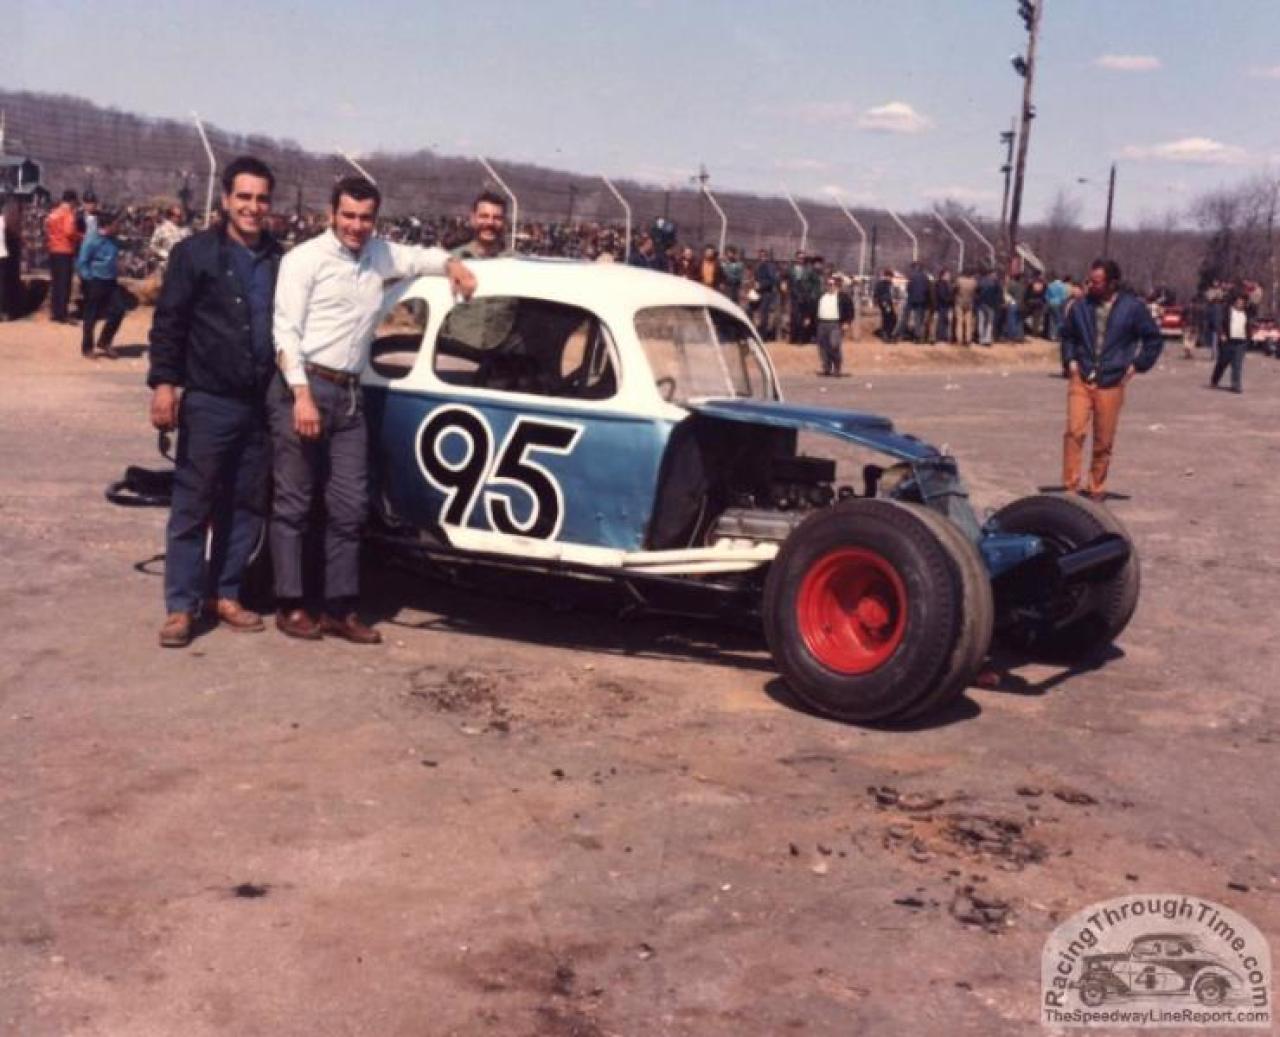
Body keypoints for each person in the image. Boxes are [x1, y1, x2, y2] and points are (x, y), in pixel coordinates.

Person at [270, 176, 476, 643]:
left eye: (365, 218)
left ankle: (339, 608)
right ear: (331, 214)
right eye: (348, 216)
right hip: (303, 388)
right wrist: (301, 395)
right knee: (295, 503)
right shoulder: (303, 260)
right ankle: (290, 603)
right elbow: (285, 333)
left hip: (350, 395)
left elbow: (419, 257)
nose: (356, 226)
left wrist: (453, 265)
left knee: (349, 507)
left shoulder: (379, 254)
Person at [148, 156, 283, 648]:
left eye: (261, 198)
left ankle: (224, 594)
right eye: (243, 196)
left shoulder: (280, 260)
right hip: (209, 401)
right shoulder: (194, 255)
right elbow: (169, 323)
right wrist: (165, 384)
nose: (252, 207)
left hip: (260, 404)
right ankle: (181, 606)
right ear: (226, 199)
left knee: (245, 504)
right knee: (193, 503)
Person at [1059, 258, 1163, 501]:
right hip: (1082, 376)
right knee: (1074, 431)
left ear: (1112, 283)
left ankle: (1096, 486)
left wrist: (1137, 365)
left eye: (1097, 282)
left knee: (1103, 439)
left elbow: (1153, 339)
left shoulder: (1133, 308)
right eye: (1090, 280)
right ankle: (1070, 487)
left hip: (1112, 380)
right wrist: (1070, 360)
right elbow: (1068, 336)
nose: (1091, 285)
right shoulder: (1080, 306)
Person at [76, 209, 126, 358]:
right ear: (107, 226)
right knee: (91, 315)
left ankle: (105, 341)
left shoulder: (114, 240)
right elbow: (82, 262)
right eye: (116, 225)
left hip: (111, 281)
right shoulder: (92, 240)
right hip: (96, 280)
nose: (118, 227)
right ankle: (87, 347)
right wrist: (88, 279)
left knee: (119, 310)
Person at [45, 190, 83, 323]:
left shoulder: (53, 213)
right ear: (72, 201)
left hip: (53, 249)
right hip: (65, 250)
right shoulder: (68, 213)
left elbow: (47, 227)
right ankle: (62, 314)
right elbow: (69, 232)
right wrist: (80, 236)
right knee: (64, 283)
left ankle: (55, 312)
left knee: (56, 283)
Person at [452, 190, 508, 259]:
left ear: (504, 221)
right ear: (472, 218)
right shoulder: (455, 259)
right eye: (484, 216)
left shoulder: (516, 262)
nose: (490, 222)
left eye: (497, 218)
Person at [815, 275, 853, 376]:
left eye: (832, 285)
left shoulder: (843, 297)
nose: (830, 287)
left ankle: (837, 368)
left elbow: (850, 311)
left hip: (835, 324)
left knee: (834, 345)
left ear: (837, 285)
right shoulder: (822, 296)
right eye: (828, 285)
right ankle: (826, 368)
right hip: (822, 323)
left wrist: (847, 322)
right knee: (823, 347)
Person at [1210, 294, 1249, 394]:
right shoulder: (1227, 311)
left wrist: (1249, 336)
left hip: (1240, 342)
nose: (1240, 303)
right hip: (1228, 341)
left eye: (1242, 302)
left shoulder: (1246, 313)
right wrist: (1221, 334)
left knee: (1237, 364)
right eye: (1238, 301)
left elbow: (1248, 326)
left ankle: (1236, 385)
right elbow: (1219, 323)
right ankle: (1215, 379)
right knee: (1222, 362)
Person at [149, 204, 191, 273]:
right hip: (166, 265)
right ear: (171, 216)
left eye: (181, 215)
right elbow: (153, 246)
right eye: (178, 216)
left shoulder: (186, 230)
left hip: (183, 265)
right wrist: (164, 254)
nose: (180, 218)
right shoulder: (162, 229)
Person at [753, 249, 780, 340]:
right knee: (758, 313)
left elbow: (772, 280)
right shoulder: (758, 266)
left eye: (764, 256)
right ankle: (758, 332)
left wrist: (761, 285)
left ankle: (763, 335)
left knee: (764, 314)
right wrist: (755, 284)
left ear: (767, 257)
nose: (762, 258)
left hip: (767, 293)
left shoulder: (769, 267)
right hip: (759, 292)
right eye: (761, 256)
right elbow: (756, 278)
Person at [903, 262, 930, 343]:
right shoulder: (925, 277)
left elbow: (908, 288)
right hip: (922, 300)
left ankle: (899, 334)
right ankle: (918, 336)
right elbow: (927, 289)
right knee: (918, 318)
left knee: (905, 317)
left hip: (911, 300)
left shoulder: (912, 277)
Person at [954, 268, 977, 345]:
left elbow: (955, 289)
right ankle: (968, 339)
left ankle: (959, 339)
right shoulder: (973, 281)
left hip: (960, 302)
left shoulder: (959, 280)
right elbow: (975, 291)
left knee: (959, 322)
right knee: (968, 322)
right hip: (969, 303)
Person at [873, 268, 896, 342]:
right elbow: (877, 294)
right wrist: (880, 302)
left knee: (891, 318)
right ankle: (886, 335)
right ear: (887, 276)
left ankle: (888, 334)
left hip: (888, 302)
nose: (891, 278)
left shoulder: (889, 284)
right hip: (885, 303)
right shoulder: (882, 284)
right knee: (888, 318)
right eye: (890, 277)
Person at [934, 268, 955, 344]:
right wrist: (950, 299)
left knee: (945, 321)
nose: (949, 276)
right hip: (942, 305)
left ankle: (944, 336)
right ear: (943, 276)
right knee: (941, 321)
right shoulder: (941, 284)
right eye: (947, 275)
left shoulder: (946, 284)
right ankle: (941, 337)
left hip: (945, 305)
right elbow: (942, 295)